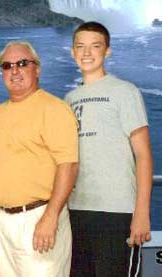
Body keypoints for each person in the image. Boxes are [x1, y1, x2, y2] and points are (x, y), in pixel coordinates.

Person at [65, 21, 153, 277]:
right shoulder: (69, 100)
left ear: (108, 51)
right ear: (72, 52)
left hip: (117, 212)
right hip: (77, 212)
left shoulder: (125, 92)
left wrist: (142, 213)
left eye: (95, 46)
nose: (87, 53)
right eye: (80, 46)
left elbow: (144, 154)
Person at [0, 40, 79, 277]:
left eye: (22, 63)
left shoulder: (54, 109)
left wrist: (50, 217)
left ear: (37, 69)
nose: (14, 70)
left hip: (39, 218)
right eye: (7, 66)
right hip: (1, 221)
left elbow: (68, 166)